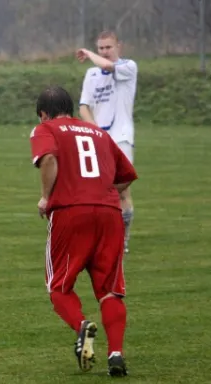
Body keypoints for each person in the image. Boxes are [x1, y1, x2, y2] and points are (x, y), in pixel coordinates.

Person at [29, 85, 138, 376]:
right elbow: (126, 177)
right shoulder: (98, 132)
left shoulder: (45, 130)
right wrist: (99, 191)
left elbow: (49, 159)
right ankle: (115, 353)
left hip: (70, 213)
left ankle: (81, 326)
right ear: (71, 108)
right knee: (110, 290)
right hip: (109, 213)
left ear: (42, 114)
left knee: (59, 286)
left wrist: (46, 197)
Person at [76, 31, 137, 254]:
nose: (105, 52)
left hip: (121, 138)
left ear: (118, 47)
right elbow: (84, 106)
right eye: (101, 48)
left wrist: (90, 54)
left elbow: (109, 66)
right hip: (99, 141)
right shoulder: (91, 75)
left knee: (119, 190)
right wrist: (94, 129)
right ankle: (107, 236)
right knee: (101, 189)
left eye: (108, 47)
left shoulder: (129, 67)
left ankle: (123, 239)